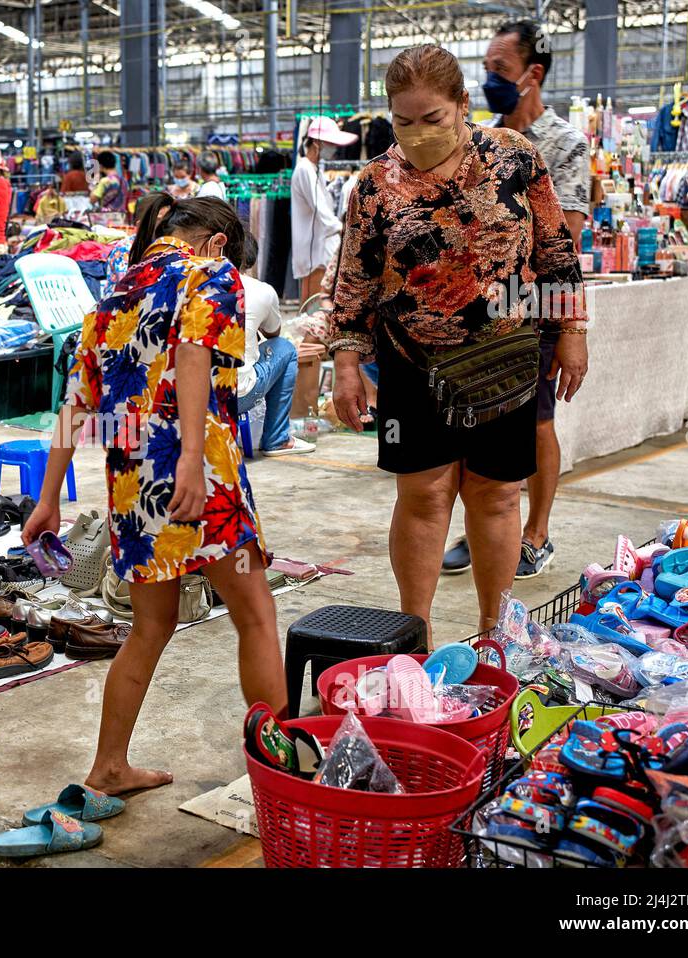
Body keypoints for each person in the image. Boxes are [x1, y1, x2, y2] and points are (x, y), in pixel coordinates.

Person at [22, 193, 286, 794]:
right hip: (202, 479)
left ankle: (109, 767)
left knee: (150, 627)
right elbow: (194, 353)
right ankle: (278, 775)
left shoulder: (113, 294)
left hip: (134, 489)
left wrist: (47, 499)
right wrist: (191, 457)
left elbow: (75, 404)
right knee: (256, 615)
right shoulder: (213, 271)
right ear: (219, 243)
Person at [329, 44, 588, 638]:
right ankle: (412, 632)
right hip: (410, 361)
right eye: (403, 121)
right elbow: (355, 281)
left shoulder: (515, 158)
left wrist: (571, 331)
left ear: (462, 105)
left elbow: (553, 250)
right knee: (423, 495)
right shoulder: (373, 185)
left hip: (507, 359)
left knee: (496, 497)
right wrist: (346, 364)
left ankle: (498, 635)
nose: (416, 134)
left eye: (432, 119)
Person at [442, 20, 591, 580]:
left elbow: (565, 238)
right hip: (478, 309)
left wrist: (569, 330)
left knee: (535, 422)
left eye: (499, 71)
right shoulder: (479, 137)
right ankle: (488, 521)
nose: (489, 81)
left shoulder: (565, 143)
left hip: (538, 303)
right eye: (485, 69)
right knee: (478, 424)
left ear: (533, 74)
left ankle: (536, 533)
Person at [237, 235, 315, 456]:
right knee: (285, 348)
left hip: (197, 397)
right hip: (237, 395)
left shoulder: (193, 285)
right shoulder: (260, 290)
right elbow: (273, 333)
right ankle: (277, 438)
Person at [291, 117, 358, 303]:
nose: (334, 149)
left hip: (318, 246)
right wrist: (343, 229)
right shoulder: (305, 169)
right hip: (314, 250)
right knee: (313, 308)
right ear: (318, 143)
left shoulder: (314, 170)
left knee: (317, 305)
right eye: (331, 143)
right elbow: (322, 211)